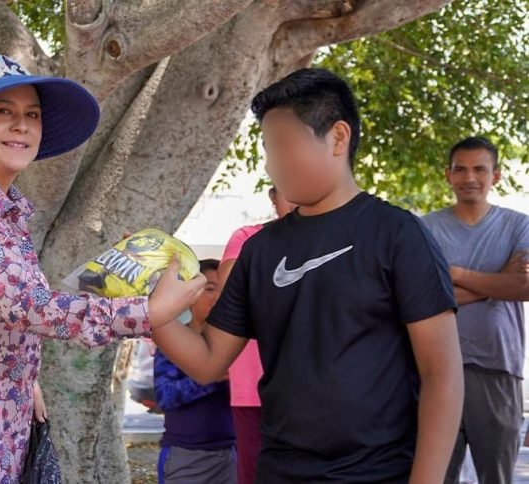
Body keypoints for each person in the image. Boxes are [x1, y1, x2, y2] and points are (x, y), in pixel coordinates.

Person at [0, 55, 205, 484]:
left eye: (32, 114)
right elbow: (30, 307)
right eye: (3, 111)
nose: (22, 125)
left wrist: (25, 375)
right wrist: (147, 312)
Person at [149, 68, 464, 482]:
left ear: (337, 137)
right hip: (281, 470)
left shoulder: (398, 234)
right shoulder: (260, 250)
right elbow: (208, 362)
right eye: (267, 149)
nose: (272, 164)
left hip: (380, 473)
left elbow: (441, 372)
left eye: (283, 145)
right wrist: (151, 307)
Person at [421, 136, 529, 484]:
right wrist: (498, 281)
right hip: (436, 370)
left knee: (496, 477)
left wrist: (457, 275)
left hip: (498, 370)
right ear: (447, 175)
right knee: (437, 476)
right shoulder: (424, 229)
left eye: (480, 169)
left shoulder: (519, 226)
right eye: (461, 169)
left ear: (495, 175)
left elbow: (524, 287)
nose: (470, 177)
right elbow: (421, 297)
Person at [218, 186, 295, 484]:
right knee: (255, 475)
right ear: (273, 198)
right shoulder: (247, 237)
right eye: (288, 187)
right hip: (254, 389)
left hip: (315, 388)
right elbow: (228, 286)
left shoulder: (334, 241)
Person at [154, 259, 236, 484]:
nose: (218, 296)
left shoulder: (239, 346)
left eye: (225, 289)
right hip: (185, 457)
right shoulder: (174, 341)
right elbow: (165, 397)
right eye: (209, 289)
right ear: (190, 296)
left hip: (233, 455)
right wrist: (209, 377)